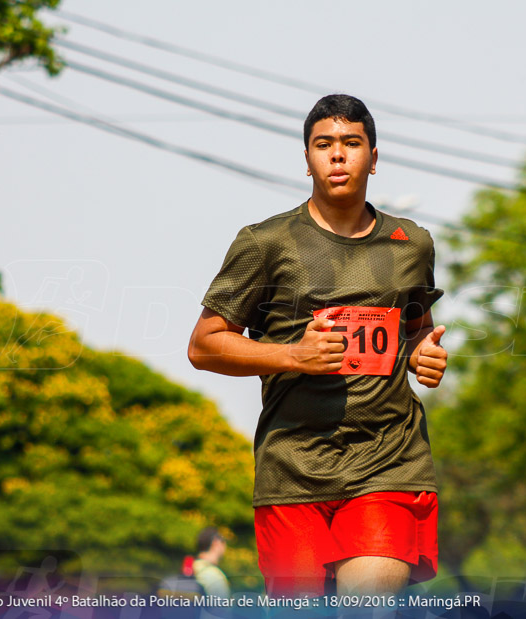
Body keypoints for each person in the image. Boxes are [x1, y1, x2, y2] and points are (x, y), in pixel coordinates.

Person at [188, 94, 448, 597]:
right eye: (323, 144)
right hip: (293, 465)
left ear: (373, 158)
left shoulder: (411, 243)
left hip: (387, 461)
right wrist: (293, 355)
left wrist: (422, 354)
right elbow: (204, 345)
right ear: (306, 158)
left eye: (351, 143)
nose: (337, 155)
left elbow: (415, 326)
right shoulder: (266, 243)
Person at [192, 527, 230, 598]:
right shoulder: (215, 576)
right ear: (216, 543)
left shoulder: (190, 568)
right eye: (223, 541)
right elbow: (222, 607)